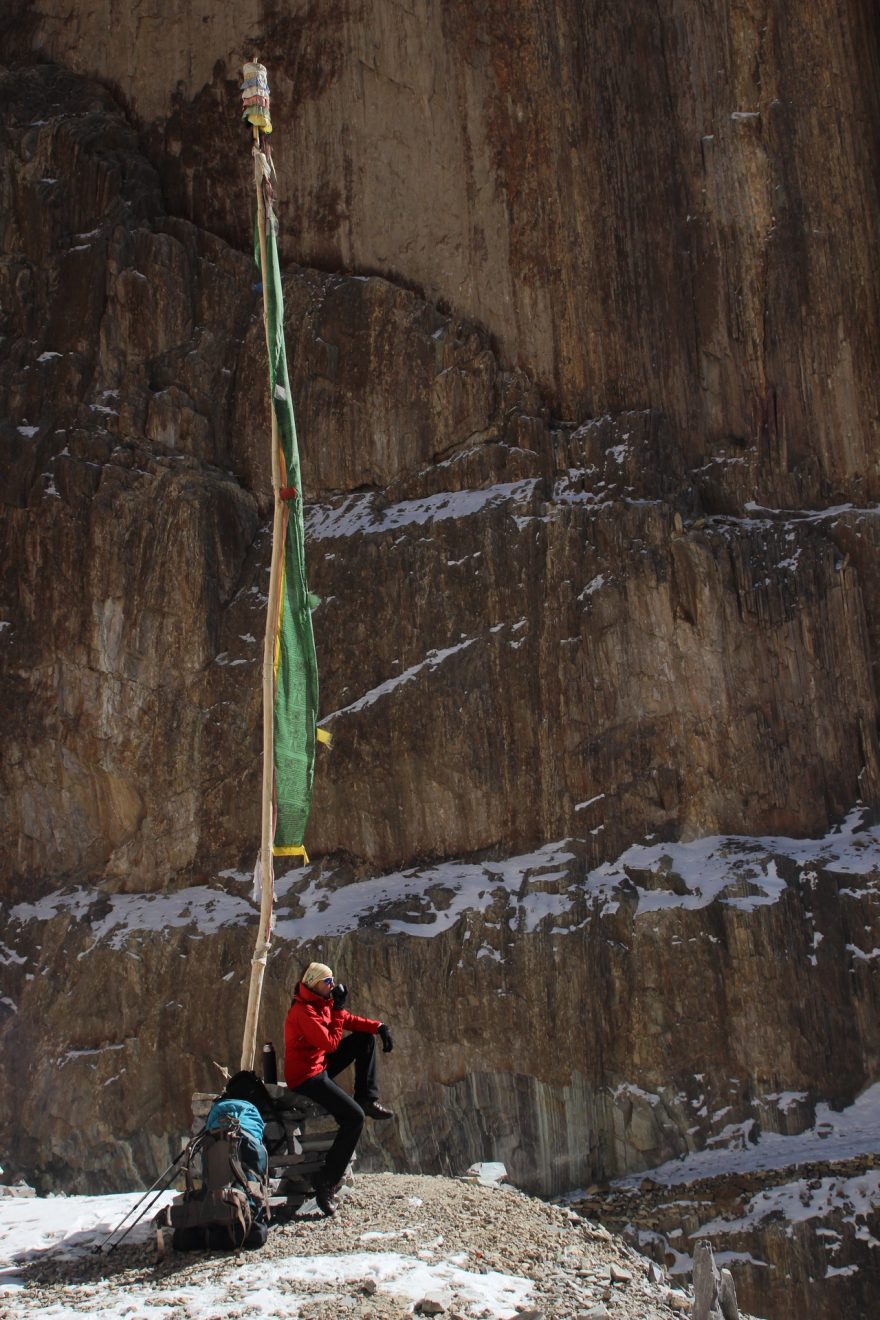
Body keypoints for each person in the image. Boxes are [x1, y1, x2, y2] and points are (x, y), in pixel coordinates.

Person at [284, 961, 394, 1215]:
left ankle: (366, 1098)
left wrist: (378, 1027)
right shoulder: (303, 1011)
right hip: (306, 1076)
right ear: (315, 983)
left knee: (364, 1040)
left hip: (319, 1064)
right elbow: (331, 1043)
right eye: (328, 981)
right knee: (353, 1118)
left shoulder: (320, 1002)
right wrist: (338, 1008)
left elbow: (346, 1021)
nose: (332, 985)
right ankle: (326, 1182)